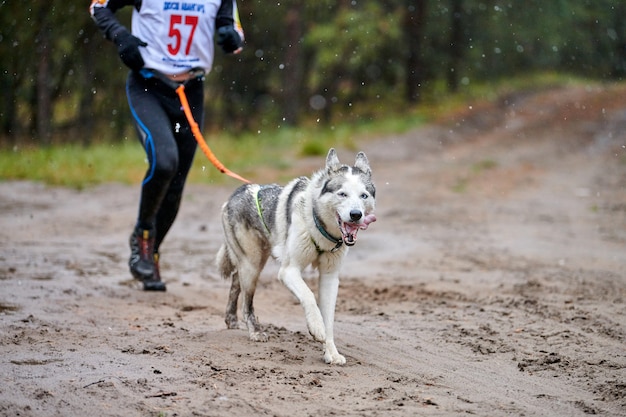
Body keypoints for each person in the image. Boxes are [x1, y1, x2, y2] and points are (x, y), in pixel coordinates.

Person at [90, 0, 244, 291]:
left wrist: (230, 36)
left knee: (176, 184)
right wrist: (120, 36)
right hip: (149, 88)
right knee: (164, 161)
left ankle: (151, 252)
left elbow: (235, 36)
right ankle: (143, 234)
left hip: (190, 93)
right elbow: (98, 6)